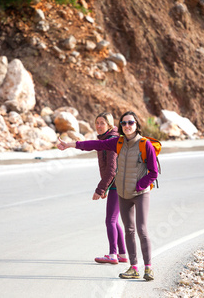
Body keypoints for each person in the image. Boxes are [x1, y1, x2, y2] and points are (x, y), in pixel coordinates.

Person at [57, 111, 158, 281]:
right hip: (123, 194)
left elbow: (154, 172)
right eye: (124, 123)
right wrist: (70, 145)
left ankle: (148, 268)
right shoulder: (116, 143)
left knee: (141, 229)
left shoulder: (144, 144)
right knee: (129, 230)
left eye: (130, 123)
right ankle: (133, 267)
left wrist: (139, 185)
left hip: (140, 193)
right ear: (120, 126)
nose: (127, 126)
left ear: (136, 125)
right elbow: (94, 144)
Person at [92, 112, 127, 265]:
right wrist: (105, 188)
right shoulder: (105, 139)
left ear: (109, 125)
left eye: (102, 123)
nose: (99, 126)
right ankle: (123, 254)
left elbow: (112, 169)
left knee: (110, 220)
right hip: (116, 184)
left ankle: (112, 254)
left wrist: (100, 189)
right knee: (115, 220)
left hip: (118, 184)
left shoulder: (112, 141)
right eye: (97, 123)